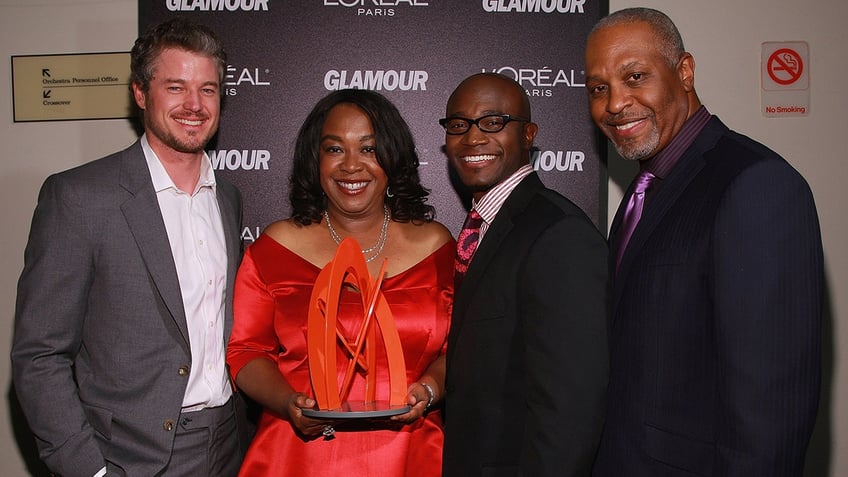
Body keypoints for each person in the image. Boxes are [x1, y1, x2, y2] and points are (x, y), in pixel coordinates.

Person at [585, 8, 824, 476]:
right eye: (598, 88)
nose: (614, 103)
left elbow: (769, 420)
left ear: (685, 71)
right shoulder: (644, 193)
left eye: (635, 76)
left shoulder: (757, 185)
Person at [10, 18, 246, 477]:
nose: (194, 105)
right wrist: (89, 471)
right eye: (175, 87)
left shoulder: (229, 197)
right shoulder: (80, 197)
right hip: (129, 458)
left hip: (228, 447)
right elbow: (39, 356)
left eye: (208, 89)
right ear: (140, 93)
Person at [226, 88, 454, 476]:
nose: (352, 165)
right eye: (334, 149)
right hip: (297, 457)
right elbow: (246, 352)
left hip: (410, 454)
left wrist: (430, 388)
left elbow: (463, 351)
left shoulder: (437, 247)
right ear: (314, 160)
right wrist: (288, 404)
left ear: (393, 158)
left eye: (368, 149)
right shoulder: (276, 247)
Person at [439, 72, 609, 476]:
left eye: (493, 122)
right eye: (459, 125)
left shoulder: (559, 233)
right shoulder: (482, 226)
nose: (473, 137)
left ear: (529, 134)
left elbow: (569, 412)